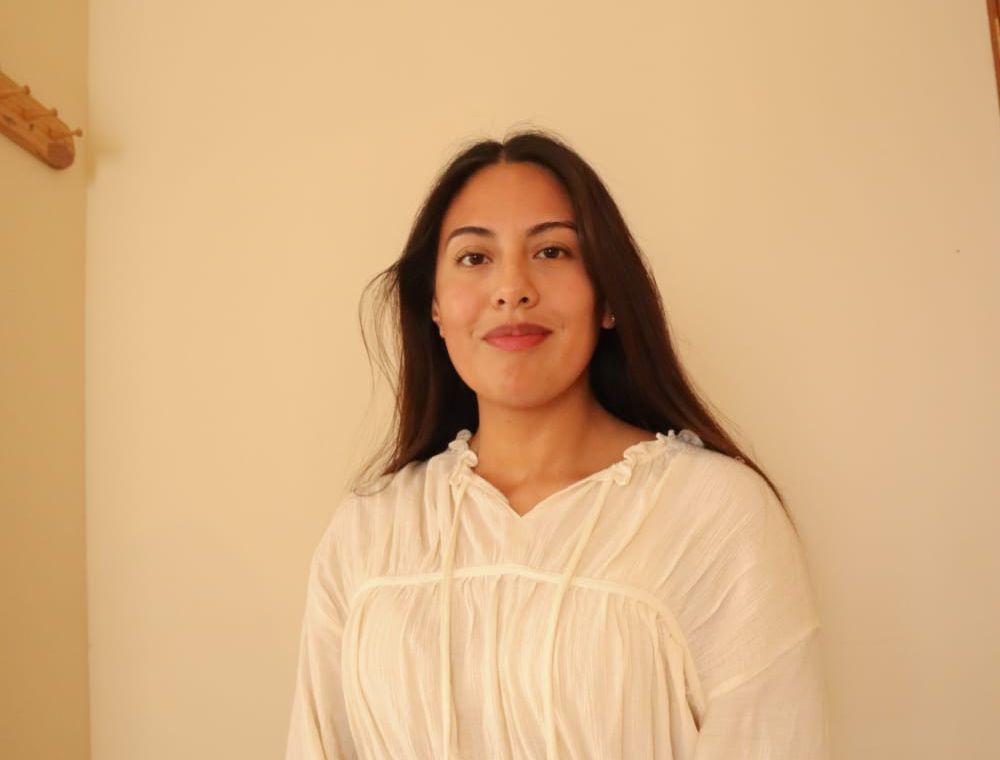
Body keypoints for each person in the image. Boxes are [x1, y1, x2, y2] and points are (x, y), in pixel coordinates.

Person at [284, 129, 830, 759]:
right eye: (474, 257)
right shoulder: (368, 534)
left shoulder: (714, 517)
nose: (512, 288)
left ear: (608, 297)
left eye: (552, 251)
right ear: (433, 306)